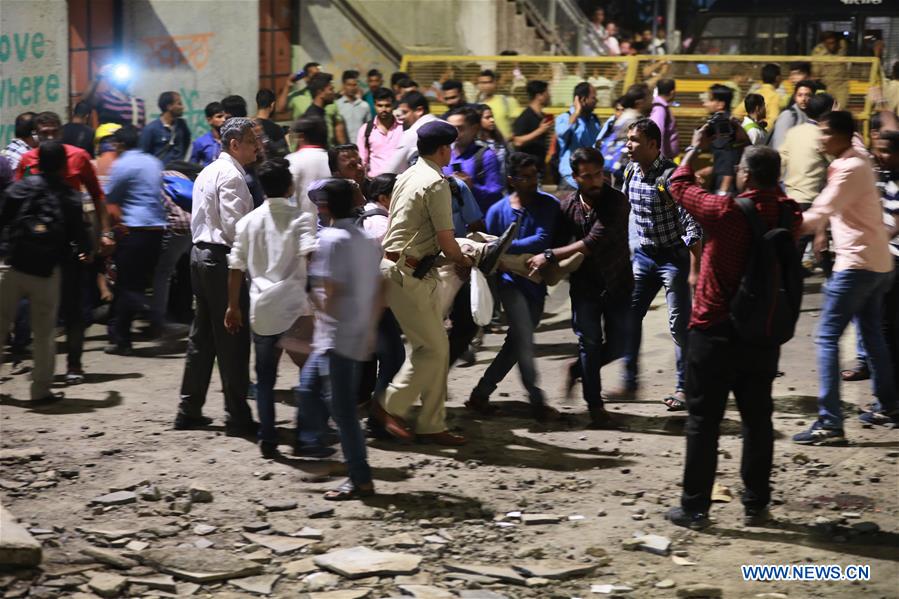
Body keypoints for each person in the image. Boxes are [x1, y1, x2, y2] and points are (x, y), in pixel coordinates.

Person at [663, 136, 802, 530]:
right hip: (762, 332)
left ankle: (694, 508)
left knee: (703, 421)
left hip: (714, 331)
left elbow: (678, 185)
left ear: (745, 175)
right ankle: (756, 505)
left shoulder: (725, 211)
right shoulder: (789, 213)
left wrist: (692, 150)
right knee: (758, 420)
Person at [371, 121, 509, 446]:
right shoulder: (436, 183)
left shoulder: (407, 175)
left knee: (437, 348)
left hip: (404, 268)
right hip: (410, 273)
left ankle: (432, 424)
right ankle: (389, 406)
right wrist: (468, 261)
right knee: (431, 349)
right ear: (444, 149)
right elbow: (448, 243)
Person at [792, 111, 897, 444]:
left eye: (825, 133)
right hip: (877, 263)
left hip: (857, 265)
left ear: (840, 136)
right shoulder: (859, 159)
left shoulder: (848, 167)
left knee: (826, 337)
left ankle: (830, 422)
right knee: (871, 333)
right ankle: (889, 406)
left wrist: (784, 224)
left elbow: (822, 209)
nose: (821, 139)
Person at [526, 148, 632, 429]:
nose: (596, 181)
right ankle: (595, 407)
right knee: (590, 342)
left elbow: (593, 240)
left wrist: (550, 255)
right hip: (585, 286)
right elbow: (557, 239)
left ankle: (577, 369)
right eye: (588, 176)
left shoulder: (617, 201)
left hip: (618, 282)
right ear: (575, 178)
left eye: (599, 174)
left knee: (621, 344)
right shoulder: (567, 206)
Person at [174, 117, 262, 436]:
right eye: (252, 141)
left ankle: (189, 408)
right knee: (233, 338)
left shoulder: (208, 171)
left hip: (200, 257)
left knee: (203, 338)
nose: (258, 147)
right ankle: (238, 416)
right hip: (221, 260)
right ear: (235, 144)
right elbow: (234, 228)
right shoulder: (233, 176)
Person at [225, 158, 316, 458]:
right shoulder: (301, 219)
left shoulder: (247, 222)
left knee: (265, 378)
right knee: (308, 374)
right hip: (296, 309)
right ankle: (305, 434)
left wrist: (232, 307)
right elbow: (311, 258)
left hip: (262, 309)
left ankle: (268, 436)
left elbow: (236, 267)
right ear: (290, 186)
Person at [15, 111, 115, 384]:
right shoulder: (27, 161)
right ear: (36, 134)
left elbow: (97, 196)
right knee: (36, 307)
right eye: (43, 133)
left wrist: (104, 233)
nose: (49, 137)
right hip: (37, 245)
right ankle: (39, 367)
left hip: (71, 241)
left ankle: (74, 365)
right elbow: (17, 201)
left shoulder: (78, 157)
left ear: (61, 132)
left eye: (53, 132)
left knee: (73, 308)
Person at [304, 178, 383, 500]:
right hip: (353, 331)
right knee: (309, 390)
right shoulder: (365, 238)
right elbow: (382, 287)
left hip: (335, 335)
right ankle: (327, 454)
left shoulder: (331, 240)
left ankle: (358, 476)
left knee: (342, 410)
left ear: (323, 207)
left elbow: (331, 291)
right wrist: (370, 325)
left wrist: (319, 311)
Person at [466, 153, 561, 421]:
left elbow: (542, 238)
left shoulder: (548, 205)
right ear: (511, 179)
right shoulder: (498, 211)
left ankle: (480, 394)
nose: (533, 182)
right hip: (509, 284)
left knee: (515, 343)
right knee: (524, 342)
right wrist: (503, 250)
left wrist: (505, 245)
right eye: (526, 177)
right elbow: (490, 249)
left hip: (536, 284)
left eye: (535, 176)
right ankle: (537, 399)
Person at [617, 118, 702, 410]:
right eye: (628, 138)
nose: (628, 145)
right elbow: (625, 213)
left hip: (673, 259)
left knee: (679, 326)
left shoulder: (671, 177)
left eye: (634, 140)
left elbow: (692, 225)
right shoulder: (630, 171)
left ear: (653, 144)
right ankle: (629, 382)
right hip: (643, 256)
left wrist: (694, 269)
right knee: (629, 317)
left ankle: (685, 387)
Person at [0, 141, 89, 401]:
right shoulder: (70, 196)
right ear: (64, 164)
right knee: (44, 334)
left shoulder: (21, 187)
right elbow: (80, 237)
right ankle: (40, 391)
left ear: (36, 162)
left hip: (12, 266)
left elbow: (3, 219)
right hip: (46, 272)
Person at [103, 125, 167, 354]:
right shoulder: (153, 162)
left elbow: (109, 198)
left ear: (119, 144)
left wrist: (107, 231)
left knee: (128, 285)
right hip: (157, 229)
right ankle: (121, 336)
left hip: (134, 230)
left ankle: (136, 322)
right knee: (136, 282)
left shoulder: (122, 165)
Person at [872, 129, 899, 399]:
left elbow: (896, 226)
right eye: (878, 149)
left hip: (894, 259)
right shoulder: (889, 178)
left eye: (887, 151)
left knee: (886, 327)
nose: (880, 155)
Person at [444, 107, 504, 213]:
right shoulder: (443, 154)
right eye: (451, 128)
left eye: (460, 128)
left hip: (476, 223)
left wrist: (471, 187)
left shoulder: (486, 156)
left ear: (475, 128)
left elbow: (496, 195)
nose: (454, 132)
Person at [555, 82, 601, 190]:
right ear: (583, 100)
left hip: (589, 178)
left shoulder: (594, 120)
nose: (596, 101)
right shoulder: (564, 118)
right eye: (593, 98)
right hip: (570, 179)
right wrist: (576, 112)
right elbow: (562, 133)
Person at [381, 91, 438, 175]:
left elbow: (392, 169)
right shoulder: (447, 125)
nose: (402, 117)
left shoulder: (412, 134)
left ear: (419, 110)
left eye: (405, 112)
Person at [286, 117, 331, 219]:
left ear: (301, 137)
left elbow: (288, 196)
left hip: (302, 226)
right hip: (331, 226)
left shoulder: (292, 160)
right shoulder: (332, 158)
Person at [702, 84, 741, 194]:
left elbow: (729, 155)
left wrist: (723, 190)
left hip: (725, 184)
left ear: (720, 104)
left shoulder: (722, 124)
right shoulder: (726, 120)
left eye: (710, 100)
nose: (705, 104)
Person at [357, 88, 403, 178]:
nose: (384, 109)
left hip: (400, 182)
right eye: (380, 105)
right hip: (375, 182)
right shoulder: (366, 129)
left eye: (387, 105)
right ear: (374, 105)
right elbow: (362, 160)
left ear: (393, 105)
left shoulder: (404, 128)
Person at [82, 64, 146, 128]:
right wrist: (98, 76)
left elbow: (143, 126)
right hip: (110, 137)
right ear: (112, 79)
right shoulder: (104, 98)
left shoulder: (139, 102)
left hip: (135, 137)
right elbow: (86, 99)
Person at [139, 91, 191, 164]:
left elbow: (186, 143)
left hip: (177, 171)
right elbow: (143, 154)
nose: (182, 107)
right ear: (169, 106)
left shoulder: (182, 125)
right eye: (179, 104)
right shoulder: (151, 129)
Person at [511, 80, 553, 169]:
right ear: (539, 96)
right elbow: (517, 141)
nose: (549, 96)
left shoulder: (542, 116)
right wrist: (540, 131)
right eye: (547, 92)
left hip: (539, 166)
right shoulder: (525, 117)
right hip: (526, 169)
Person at [768, 79, 815, 151]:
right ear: (795, 97)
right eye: (800, 95)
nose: (803, 99)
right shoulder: (788, 115)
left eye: (807, 95)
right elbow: (779, 146)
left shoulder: (810, 114)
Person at [304, 72, 347, 146]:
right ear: (320, 92)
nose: (333, 93)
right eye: (330, 89)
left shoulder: (321, 113)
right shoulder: (313, 117)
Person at [476, 69, 521, 139]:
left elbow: (520, 123)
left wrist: (512, 137)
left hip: (507, 146)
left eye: (489, 82)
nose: (486, 86)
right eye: (482, 83)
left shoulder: (507, 101)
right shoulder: (477, 106)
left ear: (495, 83)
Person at [336, 70, 372, 143]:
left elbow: (368, 128)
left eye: (354, 85)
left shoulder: (364, 106)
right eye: (349, 85)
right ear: (343, 85)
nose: (352, 88)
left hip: (360, 148)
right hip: (342, 148)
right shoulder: (337, 105)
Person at [254, 89, 289, 158]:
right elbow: (282, 153)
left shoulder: (251, 124)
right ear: (272, 105)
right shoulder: (276, 129)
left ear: (257, 104)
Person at [190, 102, 227, 167]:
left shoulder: (231, 141)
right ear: (209, 120)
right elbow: (192, 166)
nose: (224, 120)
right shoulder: (200, 142)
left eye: (225, 117)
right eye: (219, 116)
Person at [650, 79, 679, 159]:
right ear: (672, 92)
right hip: (662, 160)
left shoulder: (662, 107)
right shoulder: (660, 109)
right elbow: (657, 133)